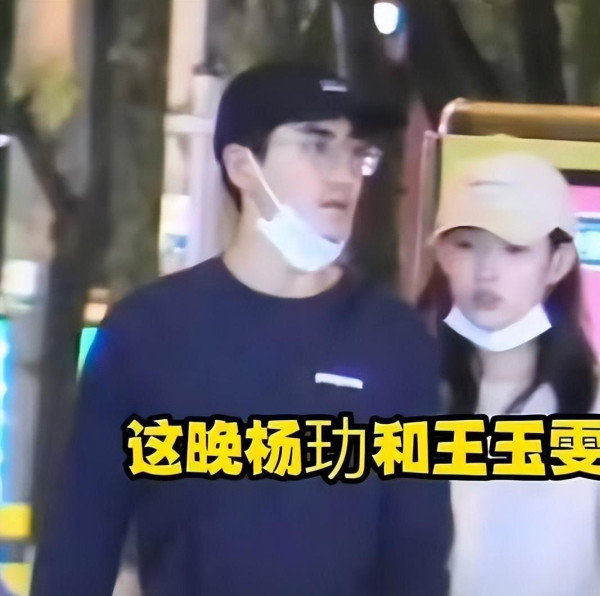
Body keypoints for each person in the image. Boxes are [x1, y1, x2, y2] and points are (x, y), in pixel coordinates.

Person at [30, 62, 452, 596]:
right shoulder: (149, 333)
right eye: (317, 145)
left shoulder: (393, 340)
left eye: (356, 153)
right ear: (242, 166)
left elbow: (417, 555)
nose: (344, 174)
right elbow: (79, 544)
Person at [417, 152, 600, 596]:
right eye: (466, 245)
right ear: (442, 254)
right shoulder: (406, 392)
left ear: (556, 264)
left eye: (514, 249)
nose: (487, 271)